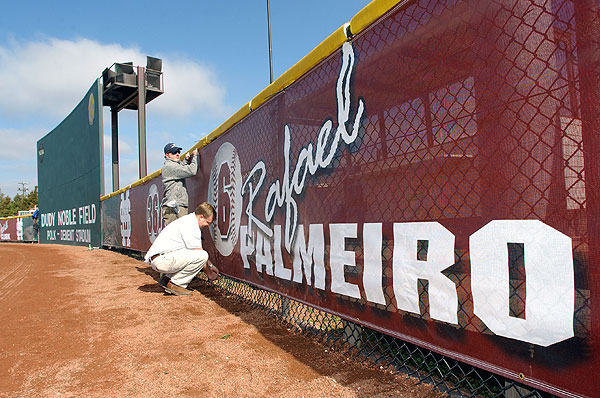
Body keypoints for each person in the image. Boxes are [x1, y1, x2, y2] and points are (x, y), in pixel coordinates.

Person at [144, 202, 220, 296]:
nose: (208, 226)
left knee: (198, 254)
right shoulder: (192, 225)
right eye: (208, 222)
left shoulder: (188, 220)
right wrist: (210, 274)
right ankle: (176, 284)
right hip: (161, 260)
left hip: (159, 258)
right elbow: (200, 254)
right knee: (203, 255)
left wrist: (211, 266)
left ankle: (166, 279)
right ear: (200, 217)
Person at [162, 142, 199, 226]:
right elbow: (192, 171)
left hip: (177, 204)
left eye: (178, 152)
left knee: (180, 234)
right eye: (174, 152)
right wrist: (196, 156)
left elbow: (179, 169)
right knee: (176, 235)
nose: (177, 154)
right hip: (174, 206)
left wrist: (185, 160)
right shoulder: (169, 166)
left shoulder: (173, 165)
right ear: (167, 155)